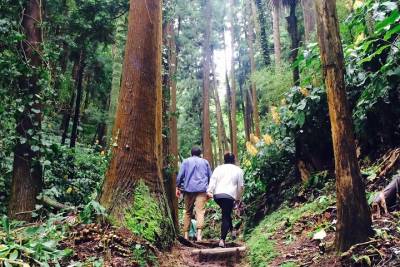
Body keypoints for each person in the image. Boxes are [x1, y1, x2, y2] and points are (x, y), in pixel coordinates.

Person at [207, 152, 244, 248]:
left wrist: (209, 191)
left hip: (218, 196)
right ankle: (222, 240)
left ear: (224, 160)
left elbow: (213, 180)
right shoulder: (238, 170)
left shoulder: (218, 168)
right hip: (229, 196)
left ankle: (232, 231)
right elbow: (241, 186)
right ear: (234, 160)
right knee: (225, 216)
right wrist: (238, 198)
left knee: (226, 213)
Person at [176, 146, 212, 241]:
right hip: (201, 190)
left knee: (188, 212)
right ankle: (199, 235)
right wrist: (209, 191)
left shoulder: (186, 161)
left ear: (191, 153)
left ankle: (186, 236)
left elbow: (180, 176)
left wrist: (178, 187)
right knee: (200, 212)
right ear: (200, 154)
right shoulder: (205, 162)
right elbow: (210, 177)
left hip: (188, 190)